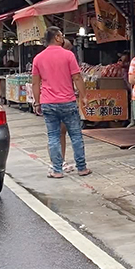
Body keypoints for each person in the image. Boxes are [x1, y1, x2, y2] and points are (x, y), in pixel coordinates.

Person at [32, 27, 91, 178]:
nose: (63, 38)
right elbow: (77, 78)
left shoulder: (38, 58)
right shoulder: (68, 55)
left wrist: (37, 102)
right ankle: (82, 168)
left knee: (53, 136)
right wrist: (84, 96)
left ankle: (57, 170)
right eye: (62, 35)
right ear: (57, 37)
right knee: (76, 136)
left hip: (48, 102)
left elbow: (35, 84)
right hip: (68, 101)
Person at [59, 38, 77, 172]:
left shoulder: (42, 57)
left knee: (56, 134)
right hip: (64, 100)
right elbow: (76, 77)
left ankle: (58, 163)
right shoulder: (67, 58)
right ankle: (61, 162)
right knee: (68, 133)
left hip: (49, 101)